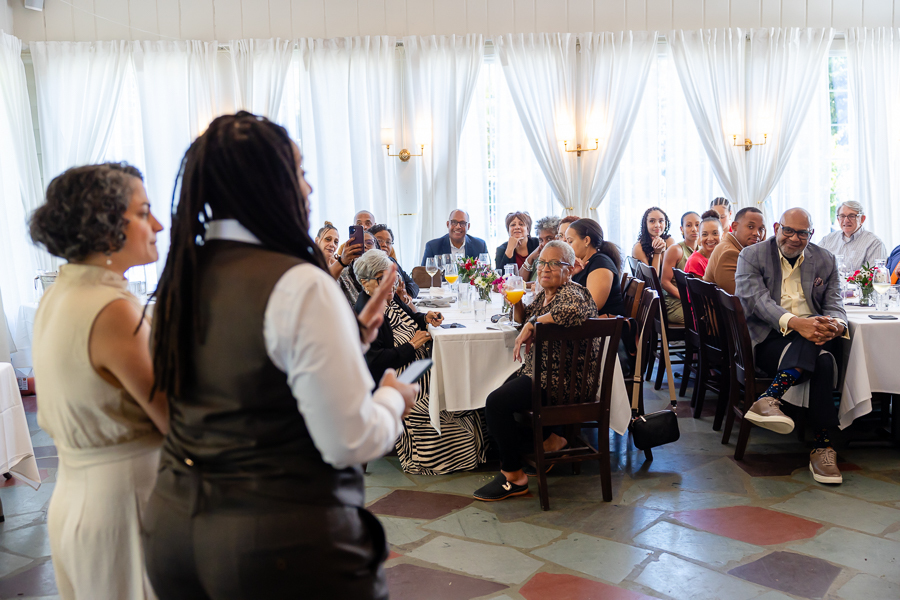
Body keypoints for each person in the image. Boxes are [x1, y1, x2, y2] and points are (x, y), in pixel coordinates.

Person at [142, 112, 418, 600]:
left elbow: (243, 372)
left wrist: (348, 339)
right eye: (301, 173)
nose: (309, 190)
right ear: (269, 184)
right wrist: (393, 398)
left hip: (175, 526)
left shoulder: (183, 274)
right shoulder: (298, 282)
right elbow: (348, 440)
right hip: (278, 543)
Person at [29, 162, 169, 600]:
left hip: (77, 496)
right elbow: (178, 418)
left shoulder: (60, 293)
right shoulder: (112, 308)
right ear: (106, 223)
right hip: (125, 505)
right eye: (144, 212)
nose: (159, 224)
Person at [473, 241, 599, 501]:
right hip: (541, 374)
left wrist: (533, 323)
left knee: (496, 403)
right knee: (492, 392)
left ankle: (514, 477)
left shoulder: (575, 293)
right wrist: (517, 302)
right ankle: (549, 441)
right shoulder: (546, 294)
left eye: (554, 263)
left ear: (570, 269)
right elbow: (524, 317)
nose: (545, 269)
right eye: (542, 263)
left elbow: (574, 311)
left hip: (561, 383)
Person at [735, 208, 848, 485]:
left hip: (813, 334)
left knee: (820, 355)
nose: (794, 239)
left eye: (802, 233)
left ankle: (770, 398)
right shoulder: (752, 255)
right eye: (788, 230)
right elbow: (756, 302)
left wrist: (836, 325)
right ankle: (822, 446)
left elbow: (835, 304)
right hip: (768, 337)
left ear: (811, 234)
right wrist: (798, 323)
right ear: (776, 227)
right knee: (820, 357)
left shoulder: (825, 259)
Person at [354, 250, 487, 474]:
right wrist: (411, 347)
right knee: (443, 393)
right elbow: (374, 361)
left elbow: (409, 316)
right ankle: (434, 459)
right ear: (364, 282)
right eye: (381, 279)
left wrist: (424, 317)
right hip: (398, 376)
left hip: (418, 364)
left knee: (460, 379)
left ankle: (473, 451)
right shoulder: (366, 312)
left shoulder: (388, 296)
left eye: (391, 278)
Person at [565, 218, 626, 317]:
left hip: (606, 327)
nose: (567, 247)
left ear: (586, 240)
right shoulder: (581, 264)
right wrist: (569, 276)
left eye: (570, 241)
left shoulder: (601, 264)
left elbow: (592, 306)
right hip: (589, 323)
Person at [704, 207, 766, 295]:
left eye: (761, 229)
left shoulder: (733, 245)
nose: (757, 233)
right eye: (750, 227)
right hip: (724, 308)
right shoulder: (730, 253)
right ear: (734, 226)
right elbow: (739, 299)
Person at [818, 201, 886, 272]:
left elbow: (873, 276)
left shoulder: (874, 243)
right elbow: (814, 263)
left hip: (854, 283)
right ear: (838, 219)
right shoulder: (827, 240)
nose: (846, 220)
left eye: (852, 216)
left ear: (862, 219)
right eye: (842, 216)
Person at [661, 211, 701, 324]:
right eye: (689, 225)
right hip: (677, 303)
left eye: (697, 225)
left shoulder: (702, 250)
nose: (694, 229)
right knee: (708, 321)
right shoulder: (676, 250)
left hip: (695, 302)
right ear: (681, 229)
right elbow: (664, 282)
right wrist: (688, 299)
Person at [421, 209, 489, 265]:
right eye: (454, 222)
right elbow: (424, 275)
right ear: (448, 224)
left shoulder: (480, 246)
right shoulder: (433, 247)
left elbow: (487, 274)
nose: (458, 227)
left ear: (468, 226)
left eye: (462, 223)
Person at [370, 223, 418, 300]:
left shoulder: (392, 261)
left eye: (388, 242)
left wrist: (406, 297)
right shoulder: (368, 266)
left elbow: (413, 285)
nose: (384, 244)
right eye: (379, 241)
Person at [338, 230, 378, 305]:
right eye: (359, 243)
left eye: (369, 243)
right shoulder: (343, 274)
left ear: (377, 249)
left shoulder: (384, 272)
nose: (364, 246)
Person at [632, 207, 674, 273]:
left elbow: (671, 272)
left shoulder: (669, 241)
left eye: (661, 221)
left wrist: (663, 251)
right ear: (646, 224)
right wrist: (657, 253)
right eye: (652, 221)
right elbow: (652, 280)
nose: (657, 225)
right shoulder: (638, 248)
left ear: (665, 224)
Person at [519, 215, 560, 280]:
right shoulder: (538, 257)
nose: (544, 243)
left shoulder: (561, 259)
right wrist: (530, 258)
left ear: (559, 237)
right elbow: (520, 279)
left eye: (549, 238)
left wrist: (522, 285)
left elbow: (543, 284)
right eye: (541, 240)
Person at [684, 211, 722, 277]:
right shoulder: (696, 262)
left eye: (715, 233)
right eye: (705, 234)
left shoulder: (722, 255)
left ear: (723, 235)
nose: (710, 238)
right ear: (699, 237)